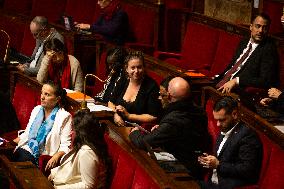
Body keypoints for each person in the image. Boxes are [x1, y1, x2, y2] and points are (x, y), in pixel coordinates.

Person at [129, 77, 210, 179]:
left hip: (184, 170)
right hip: (192, 161)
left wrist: (134, 132)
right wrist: (163, 129)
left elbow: (143, 142)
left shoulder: (174, 120)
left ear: (170, 97)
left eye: (162, 95)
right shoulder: (198, 110)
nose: (159, 98)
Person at [198, 96, 262, 189]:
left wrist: (218, 165)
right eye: (216, 120)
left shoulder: (247, 136)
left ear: (234, 114)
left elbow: (247, 170)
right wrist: (207, 160)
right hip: (214, 180)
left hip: (227, 185)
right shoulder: (226, 127)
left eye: (222, 120)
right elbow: (222, 157)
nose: (218, 124)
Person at [13, 81, 72, 172]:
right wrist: (10, 143)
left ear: (57, 99)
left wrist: (56, 156)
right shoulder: (37, 110)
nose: (42, 97)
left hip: (43, 154)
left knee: (21, 159)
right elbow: (27, 133)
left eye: (47, 95)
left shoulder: (64, 116)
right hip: (27, 148)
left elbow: (66, 145)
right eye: (42, 93)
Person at [215, 13, 279, 94]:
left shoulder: (269, 49)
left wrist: (237, 81)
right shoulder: (244, 41)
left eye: (265, 28)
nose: (261, 31)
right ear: (251, 27)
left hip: (237, 90)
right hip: (222, 82)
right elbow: (233, 66)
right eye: (258, 26)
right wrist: (219, 77)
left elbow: (265, 80)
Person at [48, 110, 109, 189]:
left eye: (73, 129)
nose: (71, 133)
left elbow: (88, 186)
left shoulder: (87, 152)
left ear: (81, 132)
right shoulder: (85, 144)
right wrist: (54, 173)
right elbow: (71, 168)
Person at [108, 50, 161, 126]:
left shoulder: (152, 86)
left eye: (139, 67)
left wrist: (129, 116)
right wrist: (115, 114)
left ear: (144, 67)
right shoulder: (123, 80)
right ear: (127, 69)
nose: (136, 71)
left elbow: (153, 117)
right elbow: (111, 102)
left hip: (137, 129)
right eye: (133, 68)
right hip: (116, 123)